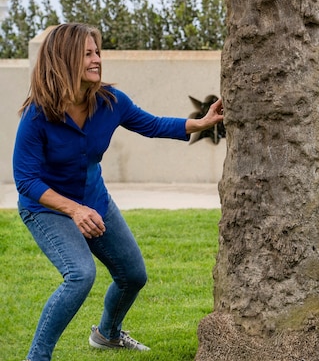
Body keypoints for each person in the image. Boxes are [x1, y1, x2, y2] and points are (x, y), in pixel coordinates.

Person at [13, 23, 224, 361]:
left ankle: (108, 335)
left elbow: (152, 124)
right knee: (80, 275)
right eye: (87, 54)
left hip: (95, 201)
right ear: (64, 59)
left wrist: (200, 123)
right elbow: (25, 180)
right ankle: (37, 357)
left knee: (132, 275)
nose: (97, 59)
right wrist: (75, 211)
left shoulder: (111, 102)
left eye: (97, 52)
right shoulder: (38, 114)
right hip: (46, 207)